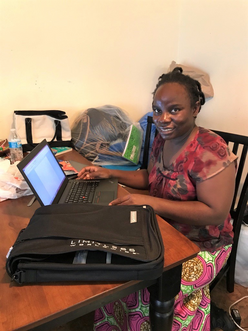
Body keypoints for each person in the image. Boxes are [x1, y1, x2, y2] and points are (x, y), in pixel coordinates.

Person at [77, 67, 237, 331]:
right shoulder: (163, 139)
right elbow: (150, 176)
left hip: (204, 243)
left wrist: (152, 203)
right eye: (157, 109)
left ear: (196, 108)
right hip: (163, 229)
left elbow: (215, 213)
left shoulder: (212, 151)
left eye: (174, 110)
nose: (163, 118)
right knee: (113, 269)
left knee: (142, 286)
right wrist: (108, 173)